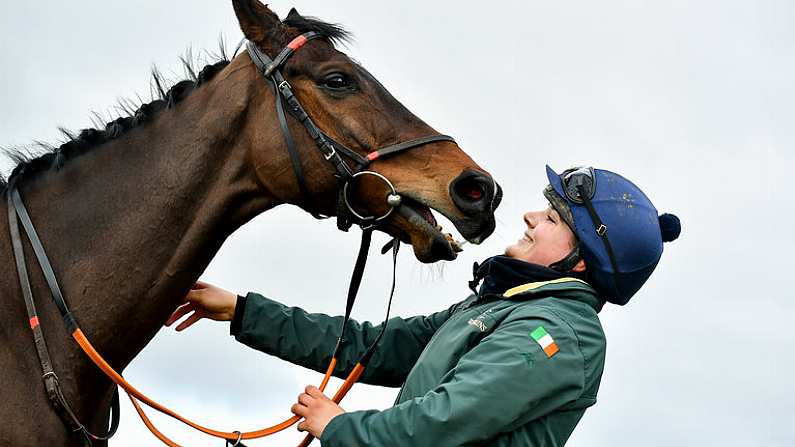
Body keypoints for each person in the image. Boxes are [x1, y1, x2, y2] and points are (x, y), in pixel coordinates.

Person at [166, 165, 681, 446]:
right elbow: (376, 345)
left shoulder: (556, 335)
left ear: (582, 262)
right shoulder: (498, 306)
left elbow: (447, 421)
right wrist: (241, 310)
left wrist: (342, 429)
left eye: (550, 218)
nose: (528, 217)